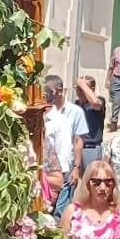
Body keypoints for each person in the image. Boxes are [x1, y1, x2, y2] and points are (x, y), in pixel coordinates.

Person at [65, 161, 120, 239]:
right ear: (87, 184)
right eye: (96, 182)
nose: (102, 187)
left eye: (108, 182)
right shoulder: (72, 212)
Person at [40, 73, 83, 215]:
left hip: (54, 177)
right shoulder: (38, 119)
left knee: (57, 215)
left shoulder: (60, 121)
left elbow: (63, 155)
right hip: (43, 177)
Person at [73, 75, 106, 176]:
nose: (80, 91)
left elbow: (96, 103)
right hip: (76, 148)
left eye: (83, 89)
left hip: (91, 149)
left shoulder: (99, 101)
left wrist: (82, 84)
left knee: (92, 180)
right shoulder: (76, 104)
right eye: (78, 88)